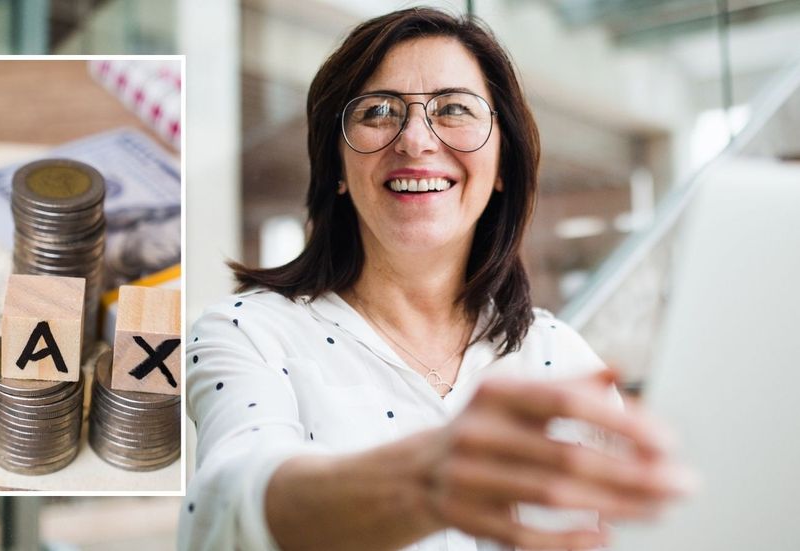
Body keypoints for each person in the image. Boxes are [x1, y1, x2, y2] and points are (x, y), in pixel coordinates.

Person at [179, 8, 693, 551]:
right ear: (336, 167)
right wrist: (424, 485)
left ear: (502, 165)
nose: (416, 140)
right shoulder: (247, 333)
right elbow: (227, 503)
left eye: (453, 109)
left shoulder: (559, 355)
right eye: (379, 111)